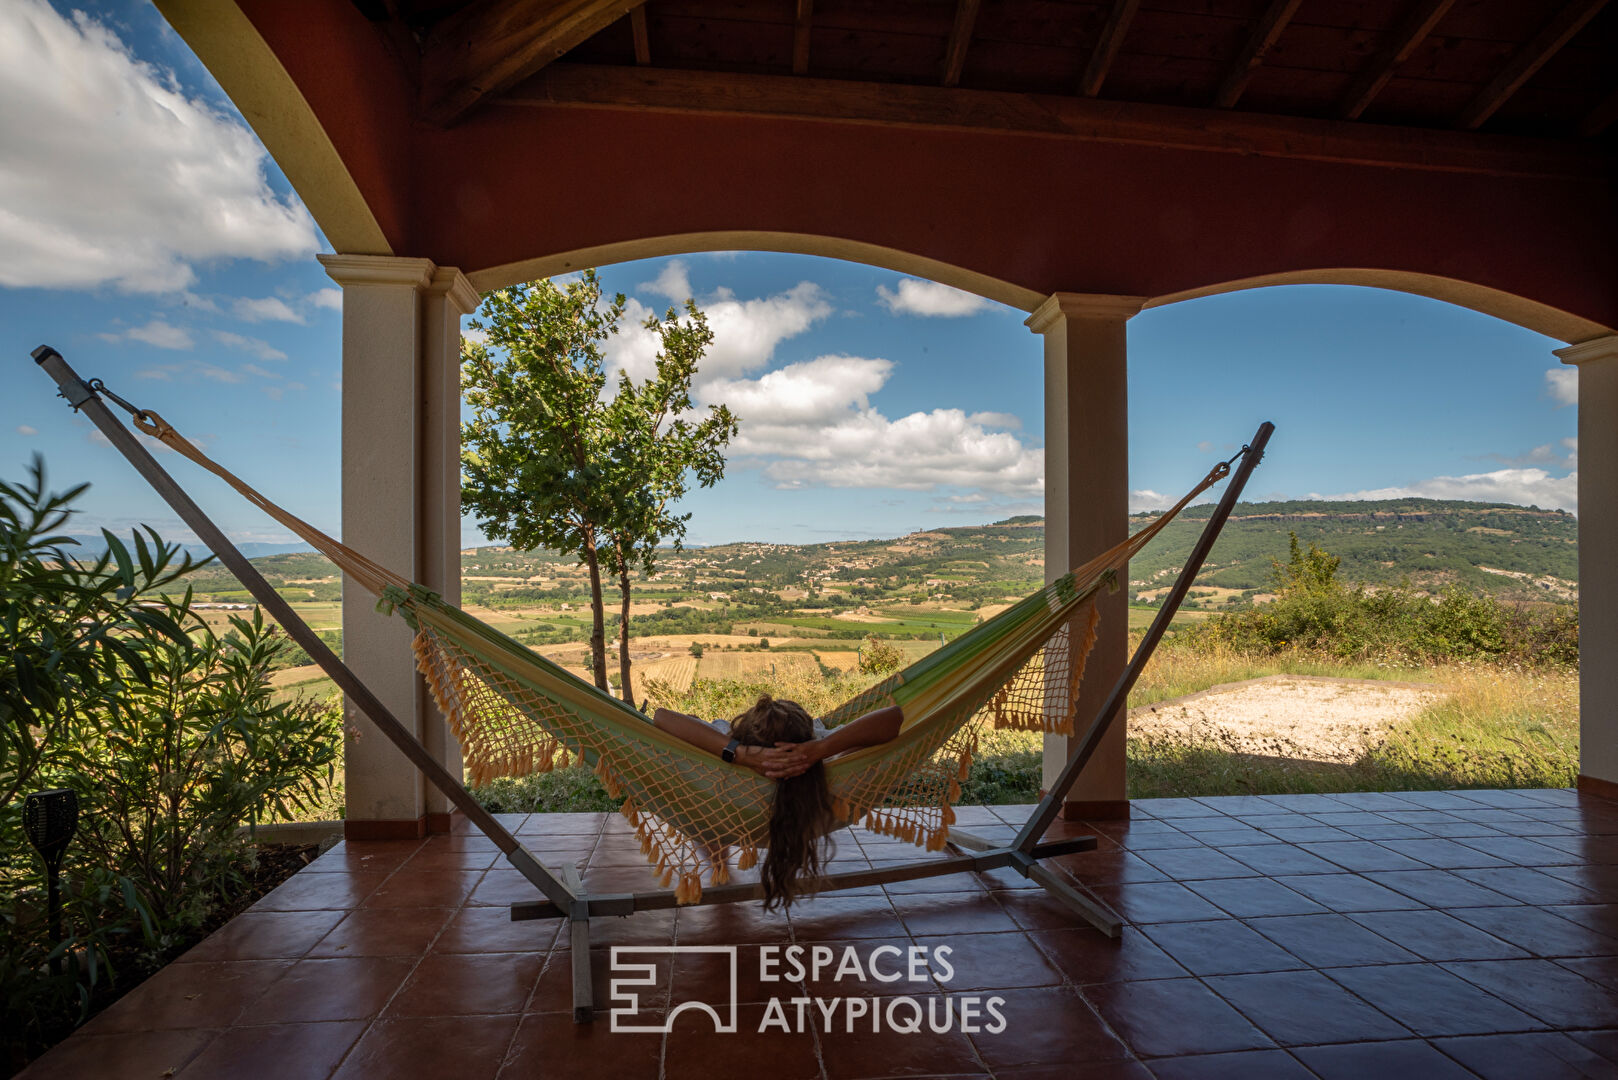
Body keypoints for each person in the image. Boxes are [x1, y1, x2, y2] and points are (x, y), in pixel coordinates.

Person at [652, 695, 902, 908]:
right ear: (810, 735)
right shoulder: (827, 756)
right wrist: (822, 748)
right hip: (810, 804)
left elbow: (662, 717)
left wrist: (736, 753)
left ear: (741, 734)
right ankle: (719, 864)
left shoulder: (726, 744)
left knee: (702, 786)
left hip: (725, 806)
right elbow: (895, 717)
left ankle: (719, 864)